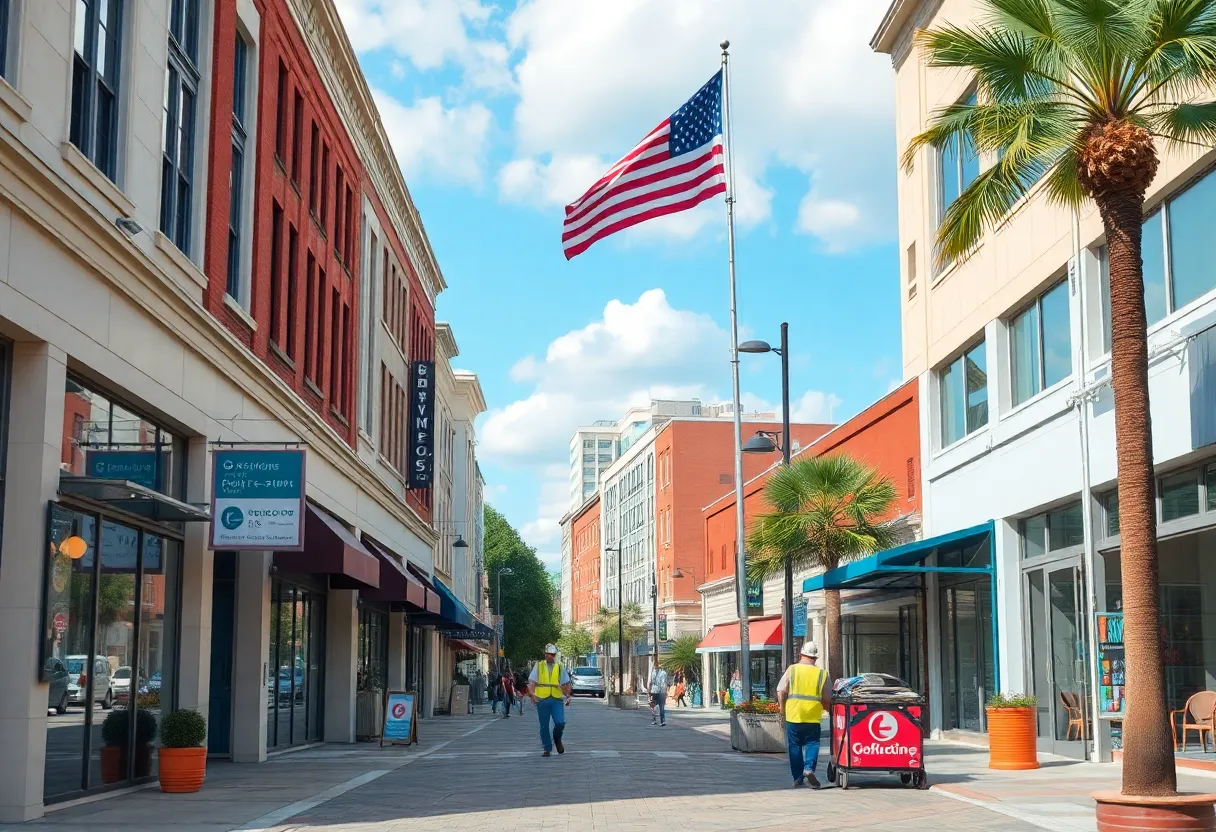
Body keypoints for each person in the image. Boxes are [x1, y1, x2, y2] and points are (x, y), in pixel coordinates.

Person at [776, 641, 830, 789]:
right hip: (812, 715)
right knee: (813, 743)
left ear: (801, 654)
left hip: (793, 715)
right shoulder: (822, 674)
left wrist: (782, 707)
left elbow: (780, 690)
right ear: (815, 658)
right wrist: (827, 709)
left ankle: (797, 778)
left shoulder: (792, 670)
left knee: (795, 746)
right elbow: (827, 698)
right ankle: (809, 769)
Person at [528, 644, 572, 757]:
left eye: (552, 654)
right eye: (548, 654)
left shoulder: (559, 667)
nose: (549, 656)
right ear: (545, 654)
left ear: (555, 655)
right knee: (544, 726)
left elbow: (566, 683)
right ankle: (547, 748)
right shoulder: (539, 666)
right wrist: (532, 695)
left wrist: (568, 695)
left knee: (560, 722)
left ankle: (557, 739)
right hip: (542, 699)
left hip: (556, 699)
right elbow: (532, 682)